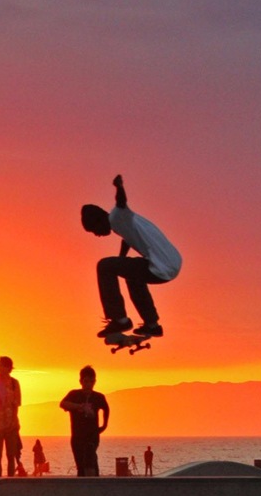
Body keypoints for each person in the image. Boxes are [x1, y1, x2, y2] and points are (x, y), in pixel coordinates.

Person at [81, 174, 182, 339]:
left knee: (104, 265)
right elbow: (126, 240)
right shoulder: (123, 225)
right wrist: (121, 259)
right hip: (171, 263)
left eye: (94, 230)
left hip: (160, 266)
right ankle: (152, 325)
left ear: (99, 220)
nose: (97, 235)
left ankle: (119, 320)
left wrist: (119, 187)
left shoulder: (116, 216)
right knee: (132, 277)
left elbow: (121, 203)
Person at [60, 365, 109, 476]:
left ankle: (93, 484)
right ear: (81, 381)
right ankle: (83, 488)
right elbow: (63, 404)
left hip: (92, 436)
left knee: (90, 458)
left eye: (91, 382)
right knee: (81, 466)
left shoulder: (98, 397)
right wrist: (80, 407)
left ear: (94, 381)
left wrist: (103, 426)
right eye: (86, 381)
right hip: (77, 437)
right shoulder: (74, 395)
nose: (88, 385)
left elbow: (106, 409)